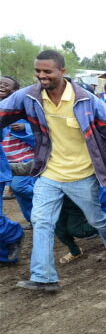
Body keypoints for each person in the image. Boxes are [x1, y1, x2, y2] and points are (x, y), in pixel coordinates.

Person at [0, 50, 106, 290]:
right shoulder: (29, 97)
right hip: (50, 173)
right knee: (41, 220)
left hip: (83, 175)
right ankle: (44, 277)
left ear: (62, 72)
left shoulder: (85, 99)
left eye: (47, 71)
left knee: (96, 218)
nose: (41, 76)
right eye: (38, 71)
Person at [1, 76, 35, 228]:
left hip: (26, 158)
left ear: (15, 91)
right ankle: (33, 220)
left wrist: (25, 128)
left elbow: (44, 131)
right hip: (8, 161)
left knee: (19, 187)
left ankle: (51, 203)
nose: (1, 86)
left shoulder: (24, 109)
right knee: (20, 194)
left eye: (6, 84)